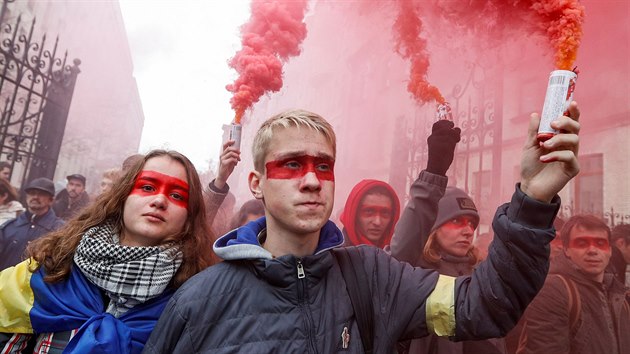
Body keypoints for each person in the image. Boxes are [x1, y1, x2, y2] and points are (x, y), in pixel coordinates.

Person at [144, 105, 580, 353]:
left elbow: (484, 306)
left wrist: (533, 200)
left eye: (323, 166)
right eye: (292, 164)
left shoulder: (373, 277)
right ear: (256, 182)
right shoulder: (199, 299)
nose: (312, 179)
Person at [0, 150, 214, 353]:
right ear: (122, 196)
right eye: (148, 187)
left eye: (177, 195)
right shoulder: (52, 264)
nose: (159, 201)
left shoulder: (194, 299)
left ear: (189, 215)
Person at [394, 187, 506, 354]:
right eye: (457, 221)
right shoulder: (414, 274)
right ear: (434, 226)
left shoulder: (483, 276)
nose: (468, 231)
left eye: (471, 223)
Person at [515, 215, 630, 354]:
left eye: (600, 243)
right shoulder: (553, 290)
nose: (593, 250)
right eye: (582, 244)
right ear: (567, 250)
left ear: (610, 250)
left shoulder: (619, 296)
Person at [0, 177, 64, 270]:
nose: (35, 197)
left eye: (41, 194)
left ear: (51, 200)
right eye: (32, 193)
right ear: (26, 197)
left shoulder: (59, 230)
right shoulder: (9, 227)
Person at [340, 179, 401, 248]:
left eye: (385, 213)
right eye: (369, 212)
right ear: (354, 214)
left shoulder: (401, 255)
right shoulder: (333, 256)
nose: (377, 222)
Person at [205, 140, 240, 238]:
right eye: (228, 208)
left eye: (232, 208)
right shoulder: (203, 233)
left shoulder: (234, 233)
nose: (230, 213)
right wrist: (220, 179)